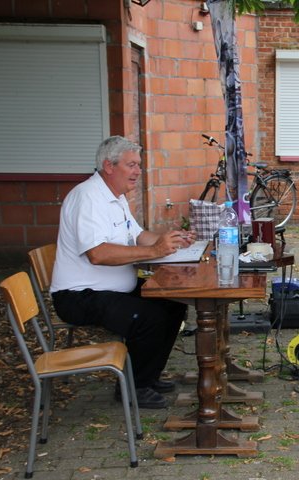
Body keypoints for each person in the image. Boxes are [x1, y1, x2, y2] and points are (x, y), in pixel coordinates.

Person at [51, 136, 195, 409]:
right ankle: (132, 388)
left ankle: (148, 376)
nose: (138, 171)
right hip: (79, 295)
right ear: (109, 166)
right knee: (149, 318)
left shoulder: (115, 197)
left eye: (138, 165)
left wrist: (172, 240)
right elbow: (98, 253)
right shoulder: (88, 198)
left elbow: (138, 235)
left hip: (110, 289)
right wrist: (154, 251)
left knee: (173, 302)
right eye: (131, 165)